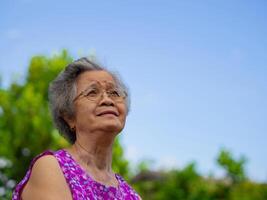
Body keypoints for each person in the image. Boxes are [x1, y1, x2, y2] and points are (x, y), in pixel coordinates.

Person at [12, 58, 141, 200]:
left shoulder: (131, 195)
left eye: (114, 93)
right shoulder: (51, 168)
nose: (107, 100)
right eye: (92, 92)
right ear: (69, 116)